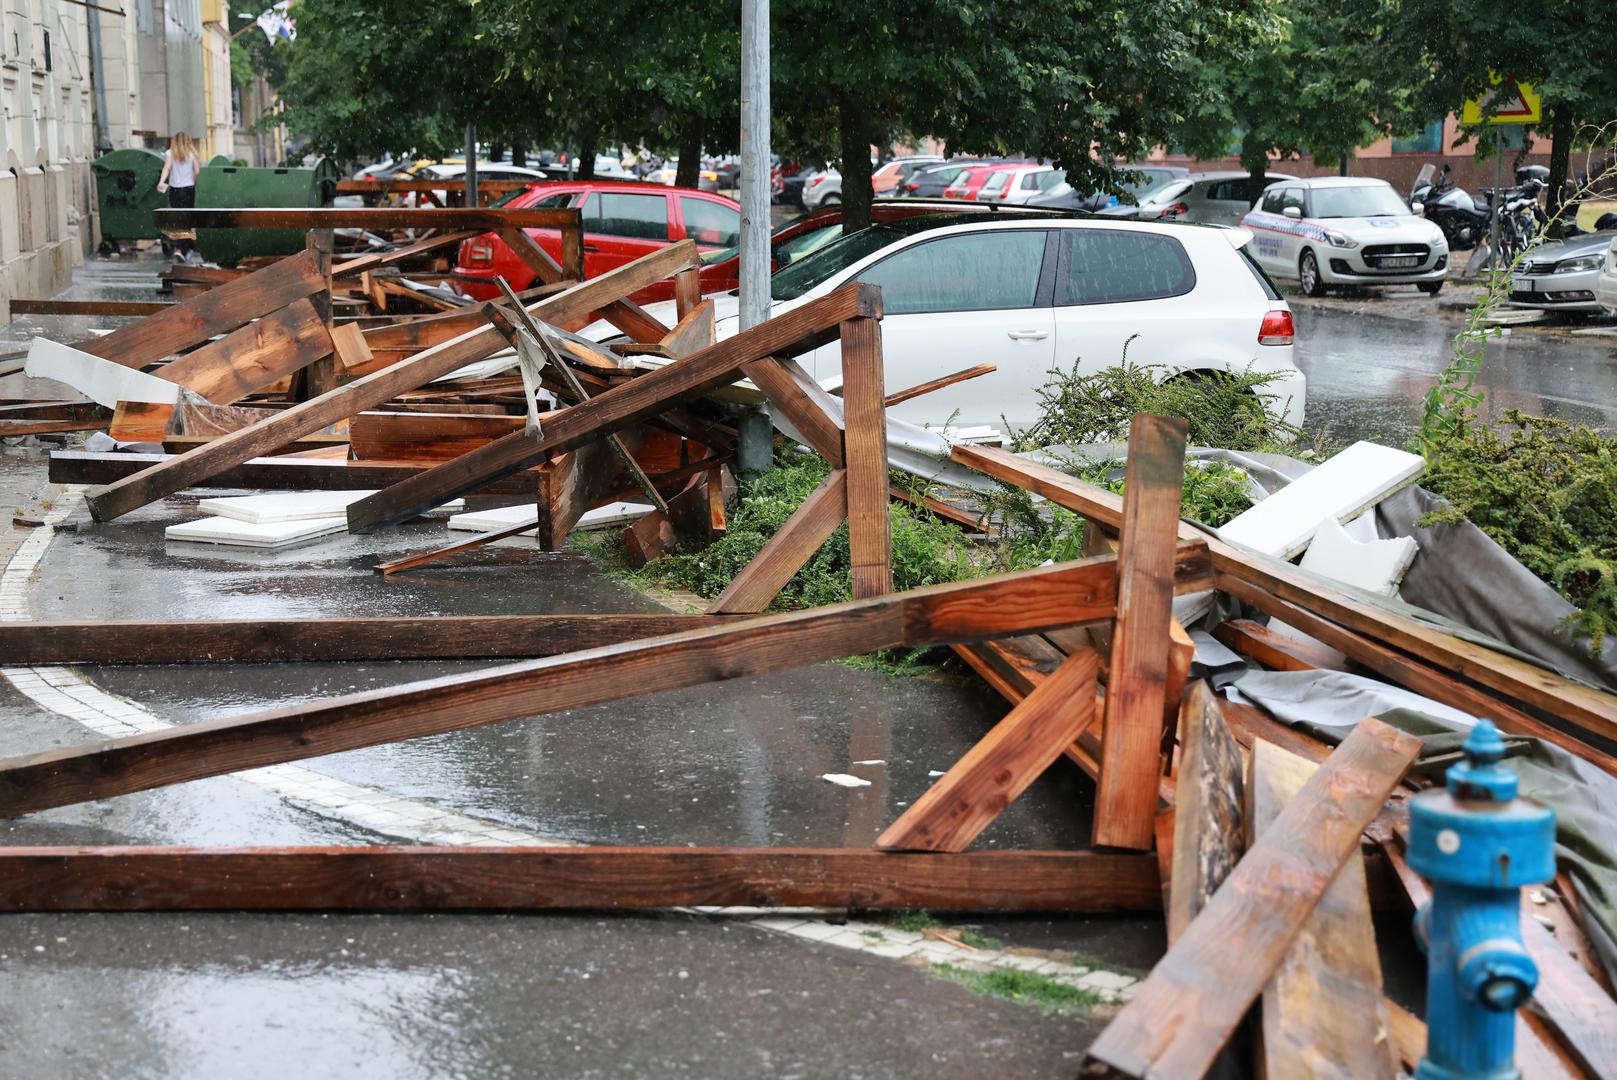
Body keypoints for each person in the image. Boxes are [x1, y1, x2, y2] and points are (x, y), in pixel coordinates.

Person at [157, 132, 199, 261]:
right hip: (189, 190)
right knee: (187, 220)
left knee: (177, 220)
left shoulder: (170, 153)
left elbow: (166, 168)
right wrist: (192, 179)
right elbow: (197, 171)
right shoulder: (193, 154)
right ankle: (184, 249)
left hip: (175, 190)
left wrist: (161, 182)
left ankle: (179, 248)